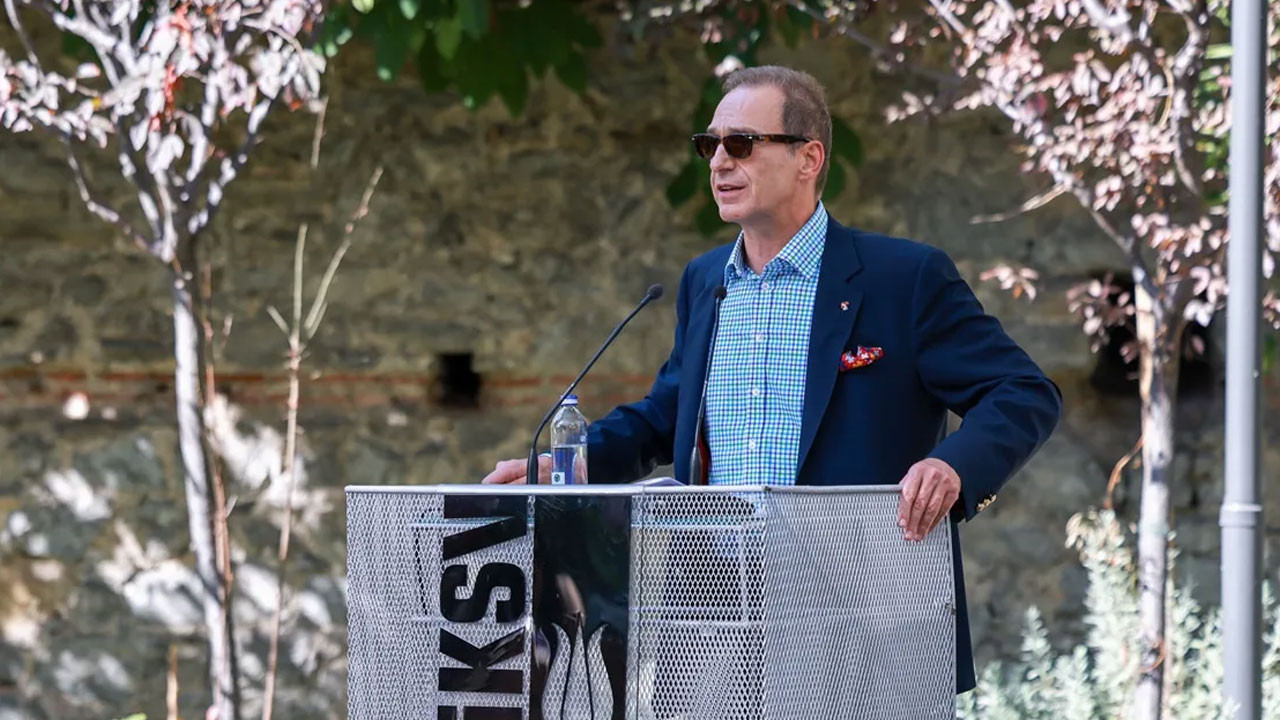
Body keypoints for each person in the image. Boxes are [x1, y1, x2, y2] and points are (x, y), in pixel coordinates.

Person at [482, 65, 1063, 694]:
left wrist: (954, 467)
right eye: (709, 145)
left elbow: (1022, 392)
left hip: (859, 624)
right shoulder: (705, 282)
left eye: (741, 143)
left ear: (808, 158)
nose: (718, 162)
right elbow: (666, 416)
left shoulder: (903, 278)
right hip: (712, 623)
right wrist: (571, 464)